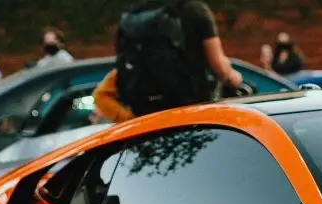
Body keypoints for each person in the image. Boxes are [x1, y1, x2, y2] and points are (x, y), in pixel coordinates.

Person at [95, 0, 242, 120]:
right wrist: (234, 78)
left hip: (147, 119)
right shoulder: (195, 9)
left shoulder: (135, 15)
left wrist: (130, 120)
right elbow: (219, 67)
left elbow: (104, 92)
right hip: (191, 114)